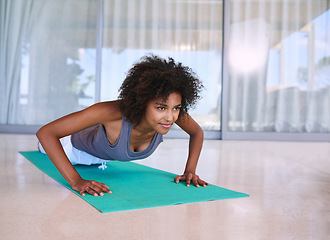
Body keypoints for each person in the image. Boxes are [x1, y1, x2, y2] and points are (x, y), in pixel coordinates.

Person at [36, 55, 209, 197]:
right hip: (72, 148)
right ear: (142, 102)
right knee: (43, 147)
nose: (170, 117)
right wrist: (76, 180)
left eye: (176, 108)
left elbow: (197, 133)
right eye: (161, 107)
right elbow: (46, 133)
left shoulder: (169, 115)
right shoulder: (111, 111)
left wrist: (190, 170)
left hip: (102, 159)